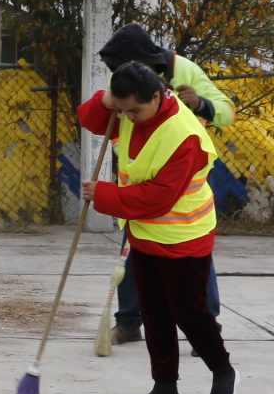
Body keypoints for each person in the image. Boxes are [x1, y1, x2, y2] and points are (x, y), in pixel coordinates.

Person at [80, 61, 237, 394]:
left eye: (134, 110)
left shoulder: (185, 135)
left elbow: (158, 198)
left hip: (186, 235)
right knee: (155, 313)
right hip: (145, 234)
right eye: (122, 111)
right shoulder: (129, 112)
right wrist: (106, 102)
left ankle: (223, 370)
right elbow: (90, 120)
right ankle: (165, 390)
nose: (128, 117)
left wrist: (103, 196)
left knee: (190, 312)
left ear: (157, 96)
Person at [97, 23, 233, 345]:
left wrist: (200, 104)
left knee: (194, 255)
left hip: (180, 174)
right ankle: (129, 321)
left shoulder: (185, 70)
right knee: (133, 249)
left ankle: (206, 323)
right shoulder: (124, 78)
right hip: (139, 172)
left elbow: (227, 113)